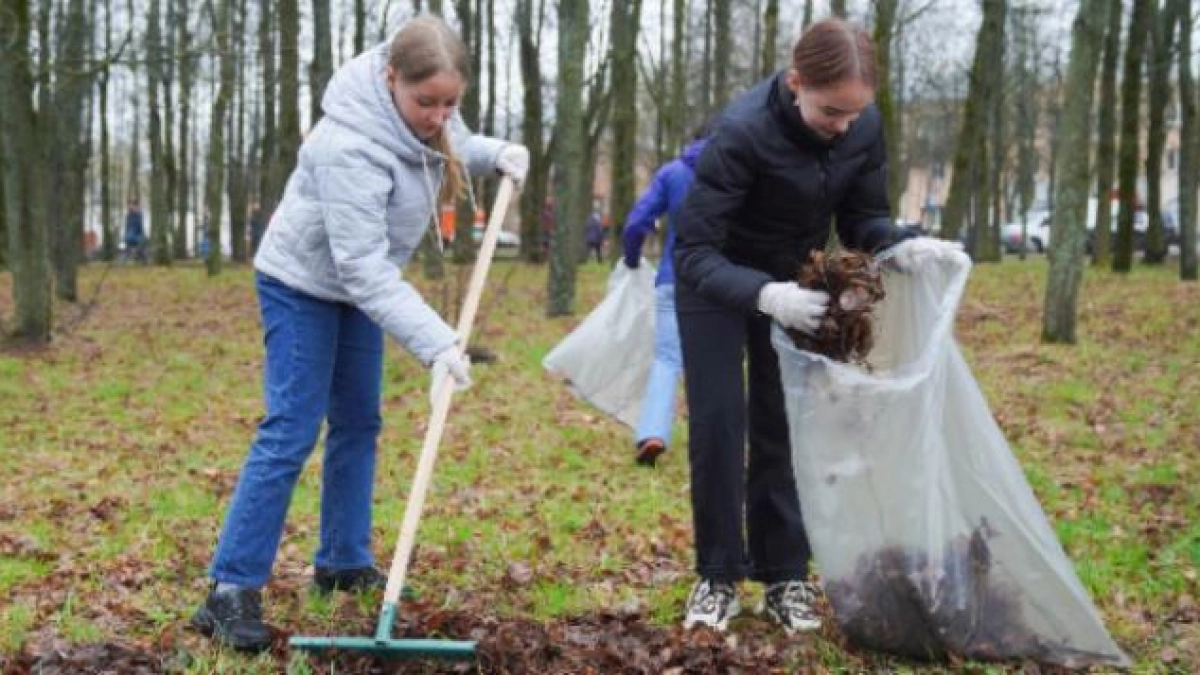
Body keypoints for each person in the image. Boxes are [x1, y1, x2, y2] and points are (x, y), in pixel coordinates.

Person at [190, 15, 529, 652]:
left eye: (449, 103)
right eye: (424, 102)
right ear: (389, 78)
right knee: (292, 426)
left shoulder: (433, 113)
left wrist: (495, 154)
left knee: (359, 423)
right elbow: (365, 269)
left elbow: (451, 143)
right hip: (302, 286)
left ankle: (342, 561)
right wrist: (436, 340)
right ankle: (229, 588)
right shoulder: (349, 146)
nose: (436, 115)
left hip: (356, 290)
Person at [672, 18, 960, 634]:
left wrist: (901, 248)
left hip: (794, 284)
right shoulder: (742, 131)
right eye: (831, 112)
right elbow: (693, 251)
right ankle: (718, 577)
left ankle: (785, 578)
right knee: (722, 425)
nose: (844, 127)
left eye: (856, 115)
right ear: (796, 82)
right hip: (715, 282)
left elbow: (866, 219)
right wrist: (764, 295)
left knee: (783, 424)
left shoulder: (863, 128)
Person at [621, 128, 707, 467]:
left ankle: (653, 432)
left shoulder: (673, 172)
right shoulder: (737, 170)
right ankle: (712, 439)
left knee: (668, 358)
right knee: (713, 361)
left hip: (674, 277)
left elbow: (636, 222)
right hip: (720, 282)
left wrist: (631, 259)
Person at [123, 198, 146, 263]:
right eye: (129, 205)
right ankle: (133, 259)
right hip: (132, 235)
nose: (130, 207)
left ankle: (141, 260)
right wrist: (126, 234)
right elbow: (128, 226)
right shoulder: (130, 215)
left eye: (132, 205)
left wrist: (141, 234)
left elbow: (140, 226)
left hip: (136, 234)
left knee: (140, 247)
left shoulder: (138, 214)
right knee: (132, 247)